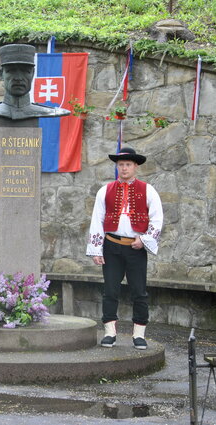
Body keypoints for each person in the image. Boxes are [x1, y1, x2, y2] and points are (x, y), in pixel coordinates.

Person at [86, 147, 163, 350]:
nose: (124, 168)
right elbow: (97, 219)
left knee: (139, 291)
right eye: (121, 165)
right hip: (111, 246)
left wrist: (144, 240)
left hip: (136, 248)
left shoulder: (148, 190)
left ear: (135, 166)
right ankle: (110, 332)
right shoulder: (105, 190)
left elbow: (157, 218)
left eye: (128, 164)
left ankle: (139, 334)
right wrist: (96, 249)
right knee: (110, 290)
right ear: (117, 167)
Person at [0, 44, 70, 120]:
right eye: (11, 71)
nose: (18, 78)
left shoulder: (51, 112)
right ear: (1, 74)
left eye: (25, 71)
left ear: (32, 74)